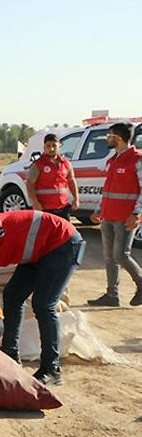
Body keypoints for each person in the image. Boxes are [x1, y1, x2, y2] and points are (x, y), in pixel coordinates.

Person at [0, 210, 84, 385]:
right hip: (38, 251)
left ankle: (52, 369)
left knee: (44, 305)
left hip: (62, 244)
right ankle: (10, 353)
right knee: (12, 295)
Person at [88, 122, 142, 307]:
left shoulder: (137, 159)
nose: (107, 139)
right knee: (109, 257)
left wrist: (137, 214)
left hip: (126, 217)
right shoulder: (113, 160)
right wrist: (99, 209)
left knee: (121, 256)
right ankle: (112, 296)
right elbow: (108, 190)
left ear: (118, 138)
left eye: (109, 136)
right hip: (108, 215)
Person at [26, 133, 78, 220]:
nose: (51, 149)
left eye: (54, 145)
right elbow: (30, 184)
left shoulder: (66, 163)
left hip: (63, 207)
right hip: (44, 208)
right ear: (44, 147)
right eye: (48, 146)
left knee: (65, 229)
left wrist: (76, 198)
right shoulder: (38, 165)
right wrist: (35, 202)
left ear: (59, 146)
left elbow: (71, 181)